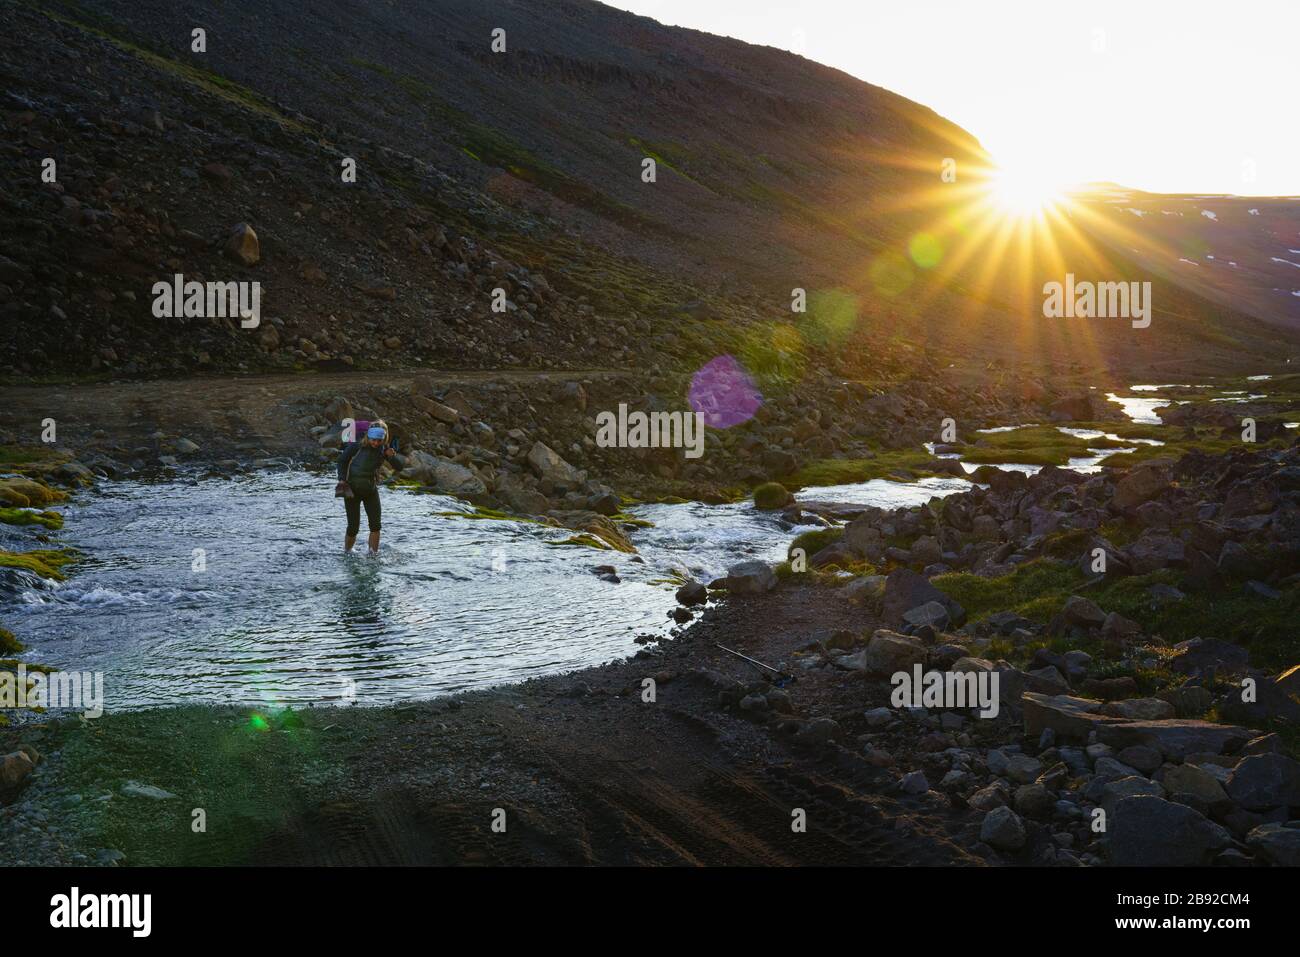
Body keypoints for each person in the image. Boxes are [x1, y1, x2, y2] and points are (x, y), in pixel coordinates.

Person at [336, 420, 398, 554]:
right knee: (353, 527)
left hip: (370, 491)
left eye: (379, 440)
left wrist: (392, 457)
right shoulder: (356, 446)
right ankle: (347, 553)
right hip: (352, 490)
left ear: (383, 438)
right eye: (373, 440)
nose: (376, 443)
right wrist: (341, 479)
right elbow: (342, 460)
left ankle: (372, 556)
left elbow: (400, 467)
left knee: (376, 526)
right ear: (368, 436)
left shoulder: (384, 449)